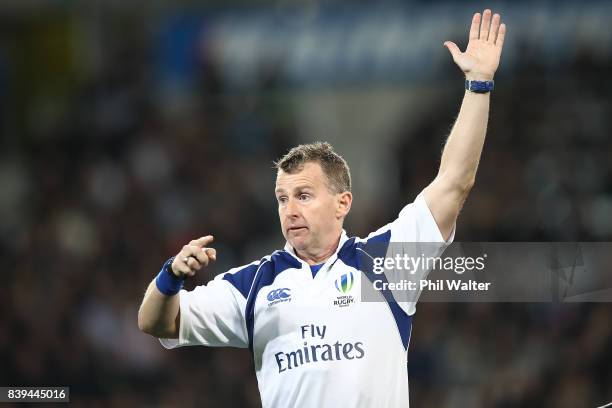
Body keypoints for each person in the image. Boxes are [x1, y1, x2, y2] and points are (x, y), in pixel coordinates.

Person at [138, 9, 505, 407]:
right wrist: (171, 275)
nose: (290, 210)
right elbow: (155, 321)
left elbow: (454, 183)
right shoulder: (254, 286)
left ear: (342, 203)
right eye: (282, 198)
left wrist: (478, 86)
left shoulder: (385, 261)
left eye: (304, 196)